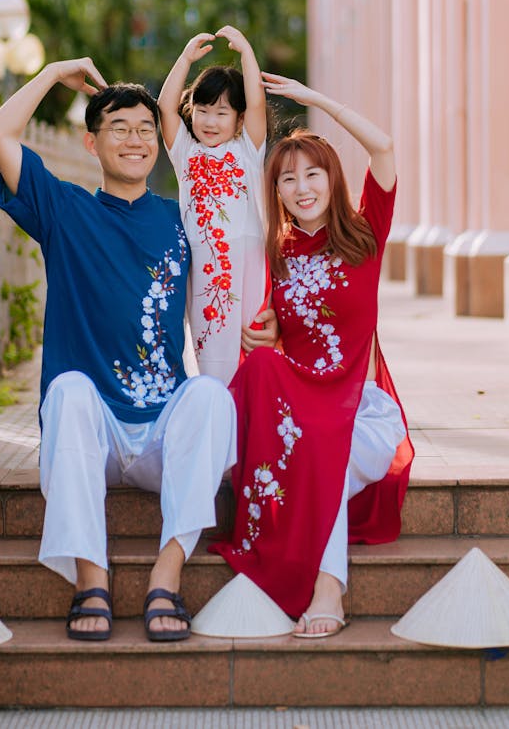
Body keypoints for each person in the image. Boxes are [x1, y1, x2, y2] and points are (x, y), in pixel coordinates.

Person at [0, 58, 272, 644]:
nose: (135, 138)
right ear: (91, 142)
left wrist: (273, 322)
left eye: (145, 128)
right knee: (66, 391)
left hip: (161, 431)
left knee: (212, 397)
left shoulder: (180, 217)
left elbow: (240, 258)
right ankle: (93, 579)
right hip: (94, 432)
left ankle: (166, 578)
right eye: (119, 127)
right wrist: (51, 74)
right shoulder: (64, 210)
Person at [209, 73, 414, 638]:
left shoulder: (366, 232)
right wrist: (260, 338)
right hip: (300, 416)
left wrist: (315, 102)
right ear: (274, 192)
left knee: (324, 450)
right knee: (267, 369)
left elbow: (385, 148)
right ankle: (325, 588)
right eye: (287, 179)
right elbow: (265, 333)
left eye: (312, 173)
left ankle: (327, 587)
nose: (301, 187)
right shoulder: (274, 253)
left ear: (331, 178)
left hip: (358, 415)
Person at [157, 26, 269, 384]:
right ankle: (215, 420)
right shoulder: (186, 153)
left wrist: (247, 52)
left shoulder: (247, 151)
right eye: (203, 110)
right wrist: (186, 59)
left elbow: (257, 102)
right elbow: (164, 107)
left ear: (238, 121)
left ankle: (254, 424)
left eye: (222, 113)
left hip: (250, 261)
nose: (209, 121)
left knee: (255, 349)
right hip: (206, 269)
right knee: (213, 363)